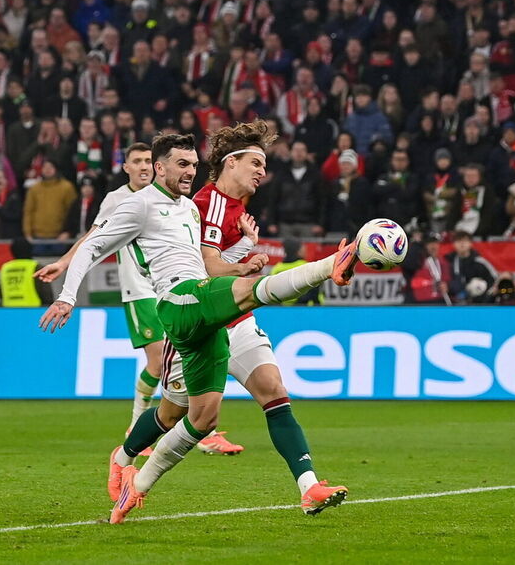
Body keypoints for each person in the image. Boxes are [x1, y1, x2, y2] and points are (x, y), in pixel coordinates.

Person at [40, 134, 357, 523]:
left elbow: (205, 264)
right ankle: (332, 264)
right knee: (250, 298)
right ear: (160, 167)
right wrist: (67, 296)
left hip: (205, 302)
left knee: (203, 416)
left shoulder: (189, 210)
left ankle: (133, 486)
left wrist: (243, 250)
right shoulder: (138, 205)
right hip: (178, 303)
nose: (191, 172)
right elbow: (92, 246)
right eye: (182, 165)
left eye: (193, 165)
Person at [36, 143, 244, 453]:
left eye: (148, 159)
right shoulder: (124, 201)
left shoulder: (185, 206)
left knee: (184, 360)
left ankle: (196, 425)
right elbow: (94, 239)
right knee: (161, 362)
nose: (144, 166)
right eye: (138, 161)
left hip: (182, 292)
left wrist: (242, 253)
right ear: (128, 167)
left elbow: (199, 259)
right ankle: (144, 427)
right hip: (140, 290)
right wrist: (66, 274)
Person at [445, 231, 497, 303]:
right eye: (458, 241)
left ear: (470, 244)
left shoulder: (480, 262)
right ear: (453, 244)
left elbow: (494, 281)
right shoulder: (447, 262)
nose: (462, 243)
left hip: (479, 303)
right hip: (454, 303)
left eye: (465, 241)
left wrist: (484, 298)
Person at [0, 237, 53, 307]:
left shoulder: (5, 268)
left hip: (8, 311)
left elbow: (1, 293)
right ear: (30, 249)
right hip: (33, 311)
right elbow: (46, 293)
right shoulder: (36, 267)